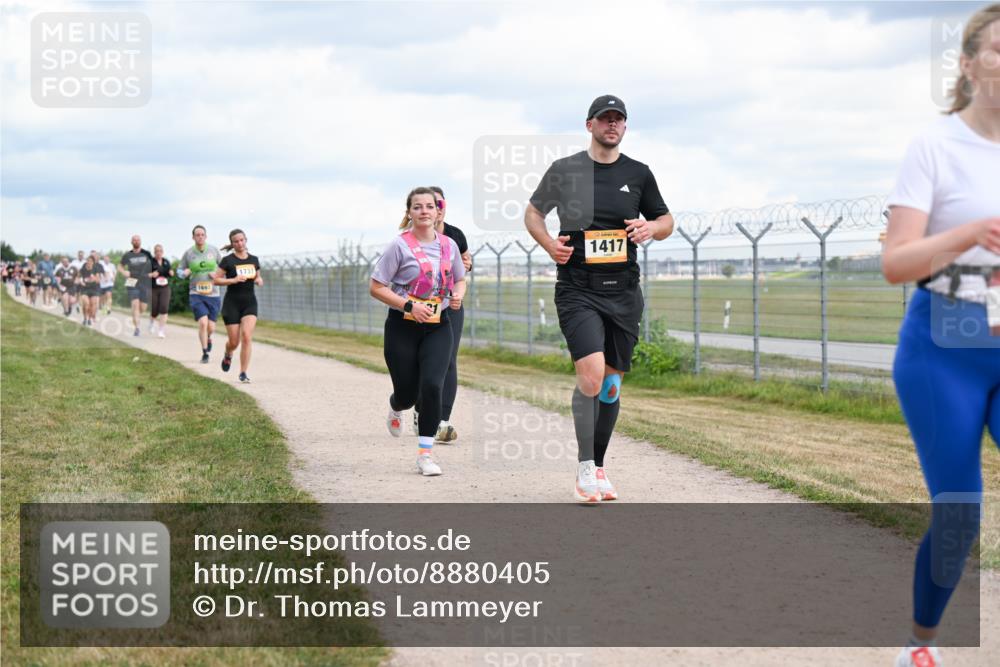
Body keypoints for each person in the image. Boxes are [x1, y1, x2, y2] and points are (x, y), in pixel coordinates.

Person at [883, 6, 1000, 667]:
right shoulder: (935, 146)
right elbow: (896, 261)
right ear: (967, 64)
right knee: (959, 511)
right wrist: (968, 233)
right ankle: (920, 644)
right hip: (944, 339)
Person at [525, 95, 674, 503]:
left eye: (619, 119)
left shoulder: (639, 174)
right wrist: (548, 245)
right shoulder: (565, 170)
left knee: (610, 388)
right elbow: (533, 214)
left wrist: (651, 229)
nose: (612, 125)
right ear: (589, 125)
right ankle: (584, 468)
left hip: (623, 290)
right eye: (605, 119)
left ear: (625, 127)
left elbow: (666, 220)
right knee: (590, 377)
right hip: (578, 288)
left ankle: (600, 466)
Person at [371, 186, 467, 476]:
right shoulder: (398, 246)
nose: (424, 211)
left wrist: (459, 294)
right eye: (418, 207)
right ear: (409, 212)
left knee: (433, 386)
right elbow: (376, 287)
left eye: (429, 206)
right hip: (403, 327)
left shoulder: (449, 245)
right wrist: (408, 305)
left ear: (439, 211)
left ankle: (425, 455)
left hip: (439, 327)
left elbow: (460, 279)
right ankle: (395, 404)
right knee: (407, 393)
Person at [412, 186, 474, 442]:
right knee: (420, 361)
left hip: (449, 306)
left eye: (438, 203)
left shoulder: (455, 235)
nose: (434, 208)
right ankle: (419, 408)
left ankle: (442, 420)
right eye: (427, 203)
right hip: (417, 306)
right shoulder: (411, 237)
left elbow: (464, 264)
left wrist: (468, 265)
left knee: (448, 360)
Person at [213, 229, 263, 383]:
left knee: (247, 336)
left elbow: (258, 276)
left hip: (249, 303)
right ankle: (228, 353)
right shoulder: (228, 260)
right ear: (232, 243)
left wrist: (259, 280)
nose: (239, 243)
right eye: (236, 241)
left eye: (242, 240)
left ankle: (243, 372)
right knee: (234, 342)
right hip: (232, 304)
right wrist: (232, 280)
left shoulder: (254, 259)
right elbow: (216, 280)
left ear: (246, 240)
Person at [177, 225, 223, 363]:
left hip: (213, 293)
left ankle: (208, 338)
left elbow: (223, 268)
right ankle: (204, 353)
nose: (200, 237)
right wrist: (183, 273)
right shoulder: (189, 253)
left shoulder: (214, 250)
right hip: (196, 292)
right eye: (197, 235)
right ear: (193, 237)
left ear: (206, 236)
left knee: (211, 327)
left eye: (202, 234)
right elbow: (179, 270)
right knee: (203, 323)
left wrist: (217, 274)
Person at [119, 236, 154, 336]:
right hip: (131, 281)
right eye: (134, 240)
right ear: (131, 242)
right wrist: (123, 271)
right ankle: (137, 328)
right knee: (135, 304)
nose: (136, 241)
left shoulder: (146, 253)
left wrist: (153, 273)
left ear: (140, 242)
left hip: (145, 281)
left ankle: (136, 315)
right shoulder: (128, 255)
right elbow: (120, 266)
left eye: (138, 240)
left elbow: (154, 264)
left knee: (142, 307)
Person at [148, 244, 173, 338]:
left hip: (165, 288)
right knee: (154, 309)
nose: (159, 253)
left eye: (160, 251)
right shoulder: (150, 262)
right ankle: (151, 322)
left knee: (164, 308)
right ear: (154, 252)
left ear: (162, 252)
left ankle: (161, 330)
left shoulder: (166, 261)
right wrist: (151, 274)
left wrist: (171, 272)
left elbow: (170, 272)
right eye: (157, 251)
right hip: (153, 288)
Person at [77, 255, 104, 326]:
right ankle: (85, 319)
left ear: (93, 262)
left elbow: (98, 281)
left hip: (94, 289)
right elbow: (78, 277)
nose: (89, 262)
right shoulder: (83, 268)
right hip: (85, 289)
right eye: (88, 261)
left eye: (90, 261)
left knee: (92, 305)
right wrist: (80, 281)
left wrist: (94, 278)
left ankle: (89, 319)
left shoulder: (96, 269)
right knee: (86, 304)